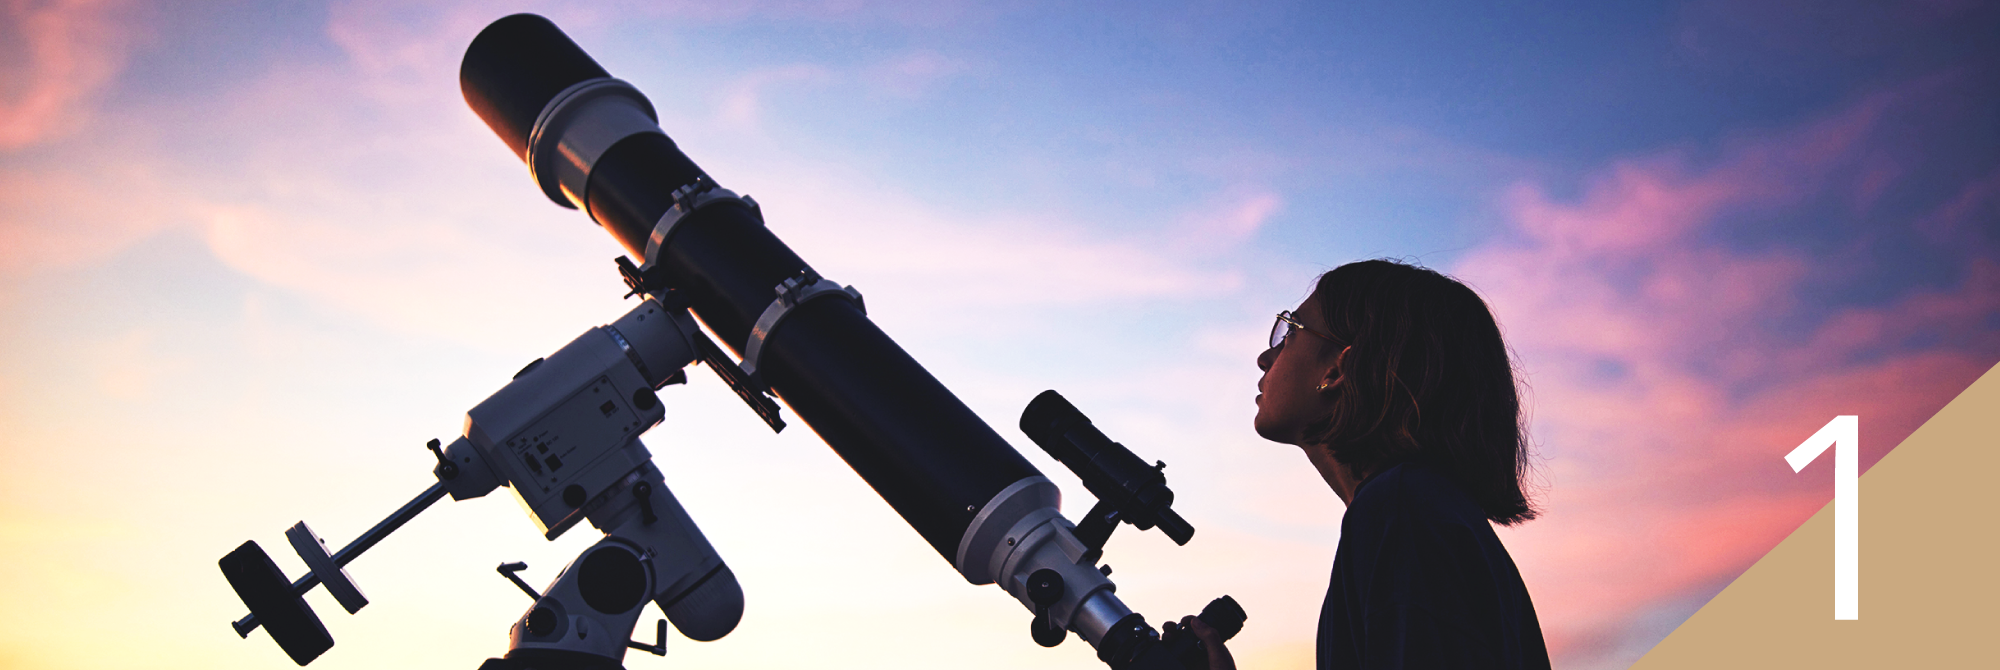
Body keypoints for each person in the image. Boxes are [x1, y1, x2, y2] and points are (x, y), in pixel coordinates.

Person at [1175, 259, 1551, 670]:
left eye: (1290, 332)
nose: (1267, 357)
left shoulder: (1403, 511)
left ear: (1337, 368)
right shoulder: (1417, 511)